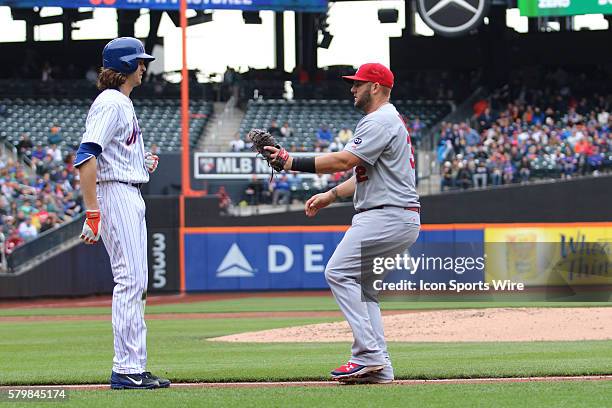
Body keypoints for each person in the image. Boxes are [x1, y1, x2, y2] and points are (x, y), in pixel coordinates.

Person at [266, 63, 420, 384]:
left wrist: (290, 161)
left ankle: (367, 355)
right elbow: (360, 173)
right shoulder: (385, 120)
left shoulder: (379, 119)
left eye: (359, 83)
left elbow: (343, 160)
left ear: (375, 87)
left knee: (337, 272)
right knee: (364, 290)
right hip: (394, 214)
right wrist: (331, 195)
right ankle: (380, 368)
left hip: (386, 213)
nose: (353, 88)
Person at [74, 37, 169, 390]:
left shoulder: (121, 103)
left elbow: (110, 153)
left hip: (126, 189)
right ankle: (126, 368)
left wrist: (140, 163)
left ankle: (134, 367)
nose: (145, 66)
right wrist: (92, 212)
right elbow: (86, 156)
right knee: (130, 281)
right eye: (140, 62)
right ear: (127, 66)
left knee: (136, 282)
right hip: (115, 195)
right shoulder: (112, 103)